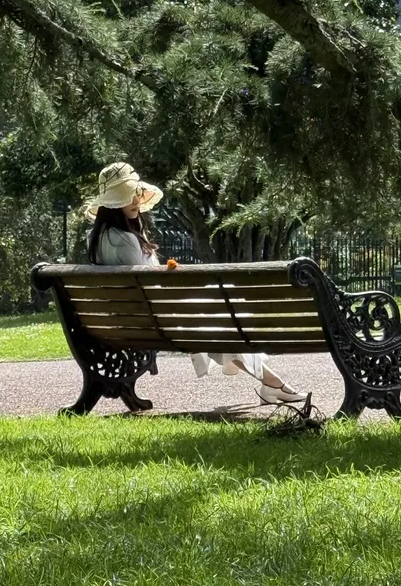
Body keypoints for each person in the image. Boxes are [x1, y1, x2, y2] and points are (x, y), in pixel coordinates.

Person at [85, 162, 308, 405]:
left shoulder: (98, 239)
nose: (136, 200)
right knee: (223, 307)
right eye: (128, 195)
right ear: (114, 204)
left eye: (136, 193)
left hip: (129, 322)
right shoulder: (126, 239)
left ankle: (271, 383)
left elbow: (140, 285)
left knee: (221, 314)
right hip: (155, 320)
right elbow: (148, 289)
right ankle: (273, 384)